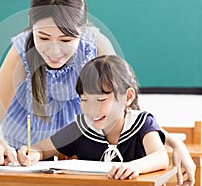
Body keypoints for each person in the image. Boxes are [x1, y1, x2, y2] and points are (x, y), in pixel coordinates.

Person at [0, 0, 195, 185]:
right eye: (42, 37)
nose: (53, 50)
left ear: (82, 32)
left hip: (77, 162)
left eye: (65, 40)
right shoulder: (20, 53)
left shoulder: (96, 48)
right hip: (25, 161)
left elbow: (128, 116)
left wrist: (174, 143)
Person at [17, 55, 169, 179]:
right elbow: (41, 149)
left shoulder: (142, 124)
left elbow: (160, 157)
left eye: (101, 100)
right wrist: (30, 153)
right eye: (84, 100)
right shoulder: (81, 129)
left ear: (128, 97)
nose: (91, 109)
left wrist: (136, 166)